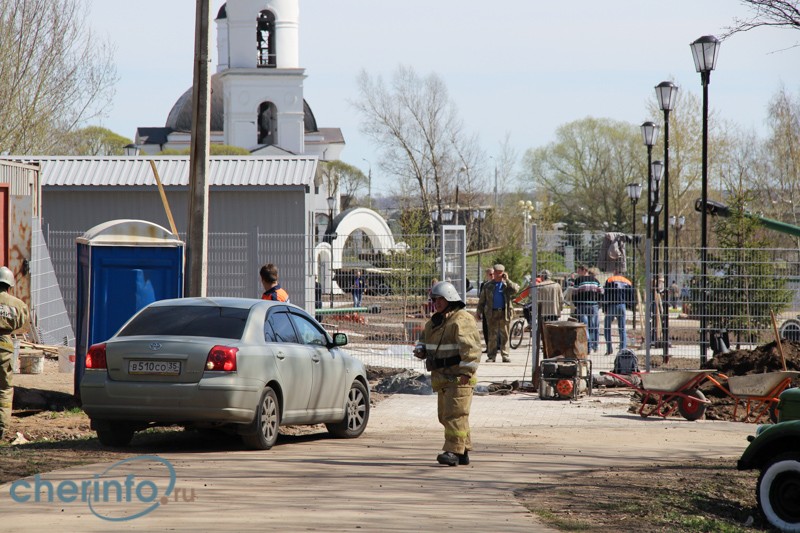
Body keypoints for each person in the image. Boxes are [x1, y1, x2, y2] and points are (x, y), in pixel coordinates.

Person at [413, 281, 481, 466]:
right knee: (447, 415)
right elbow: (424, 340)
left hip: (459, 377)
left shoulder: (462, 319)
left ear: (450, 298)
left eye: (440, 299)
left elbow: (471, 349)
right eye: (434, 299)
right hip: (443, 377)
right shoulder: (435, 322)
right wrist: (421, 349)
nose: (437, 303)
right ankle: (462, 451)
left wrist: (466, 372)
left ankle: (452, 451)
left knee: (455, 415)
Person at [0, 266, 30, 441]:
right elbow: (21, 323)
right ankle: (1, 428)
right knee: (4, 388)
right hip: (5, 346)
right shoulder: (18, 305)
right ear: (10, 285)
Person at [476, 264, 519, 363]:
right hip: (492, 313)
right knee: (492, 335)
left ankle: (505, 355)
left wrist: (507, 280)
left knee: (505, 335)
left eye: (501, 273)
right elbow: (482, 300)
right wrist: (478, 312)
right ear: (494, 273)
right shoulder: (488, 286)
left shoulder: (506, 285)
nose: (498, 275)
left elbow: (515, 289)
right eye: (497, 273)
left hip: (504, 312)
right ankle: (491, 356)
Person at [571, 264, 603, 353]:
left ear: (584, 270)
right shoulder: (595, 280)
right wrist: (598, 304)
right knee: (593, 326)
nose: (577, 273)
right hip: (594, 306)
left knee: (585, 327)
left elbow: (574, 294)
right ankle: (594, 345)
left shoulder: (578, 280)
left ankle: (588, 346)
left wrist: (576, 304)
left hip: (582, 306)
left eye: (579, 271)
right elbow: (601, 293)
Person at [602, 269, 633, 355]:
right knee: (622, 329)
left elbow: (606, 295)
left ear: (615, 271)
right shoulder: (627, 281)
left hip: (611, 305)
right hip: (622, 305)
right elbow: (630, 296)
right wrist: (629, 306)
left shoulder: (610, 280)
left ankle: (609, 349)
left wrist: (605, 308)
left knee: (607, 327)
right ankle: (623, 349)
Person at [478, 268, 494, 352]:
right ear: (487, 275)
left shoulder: (497, 283)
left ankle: (496, 347)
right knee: (486, 329)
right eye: (490, 274)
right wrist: (479, 311)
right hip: (486, 310)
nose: (492, 276)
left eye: (493, 274)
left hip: (495, 310)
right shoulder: (483, 285)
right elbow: (481, 298)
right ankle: (488, 347)